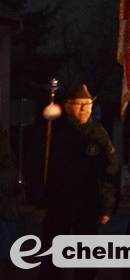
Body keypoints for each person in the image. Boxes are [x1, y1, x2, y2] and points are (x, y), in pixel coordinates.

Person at [26, 82, 119, 280]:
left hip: (88, 206)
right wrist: (39, 202)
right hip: (57, 205)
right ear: (67, 105)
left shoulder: (98, 133)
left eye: (88, 105)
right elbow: (36, 167)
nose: (85, 109)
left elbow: (110, 170)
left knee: (85, 260)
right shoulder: (53, 132)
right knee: (53, 259)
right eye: (79, 104)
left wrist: (107, 207)